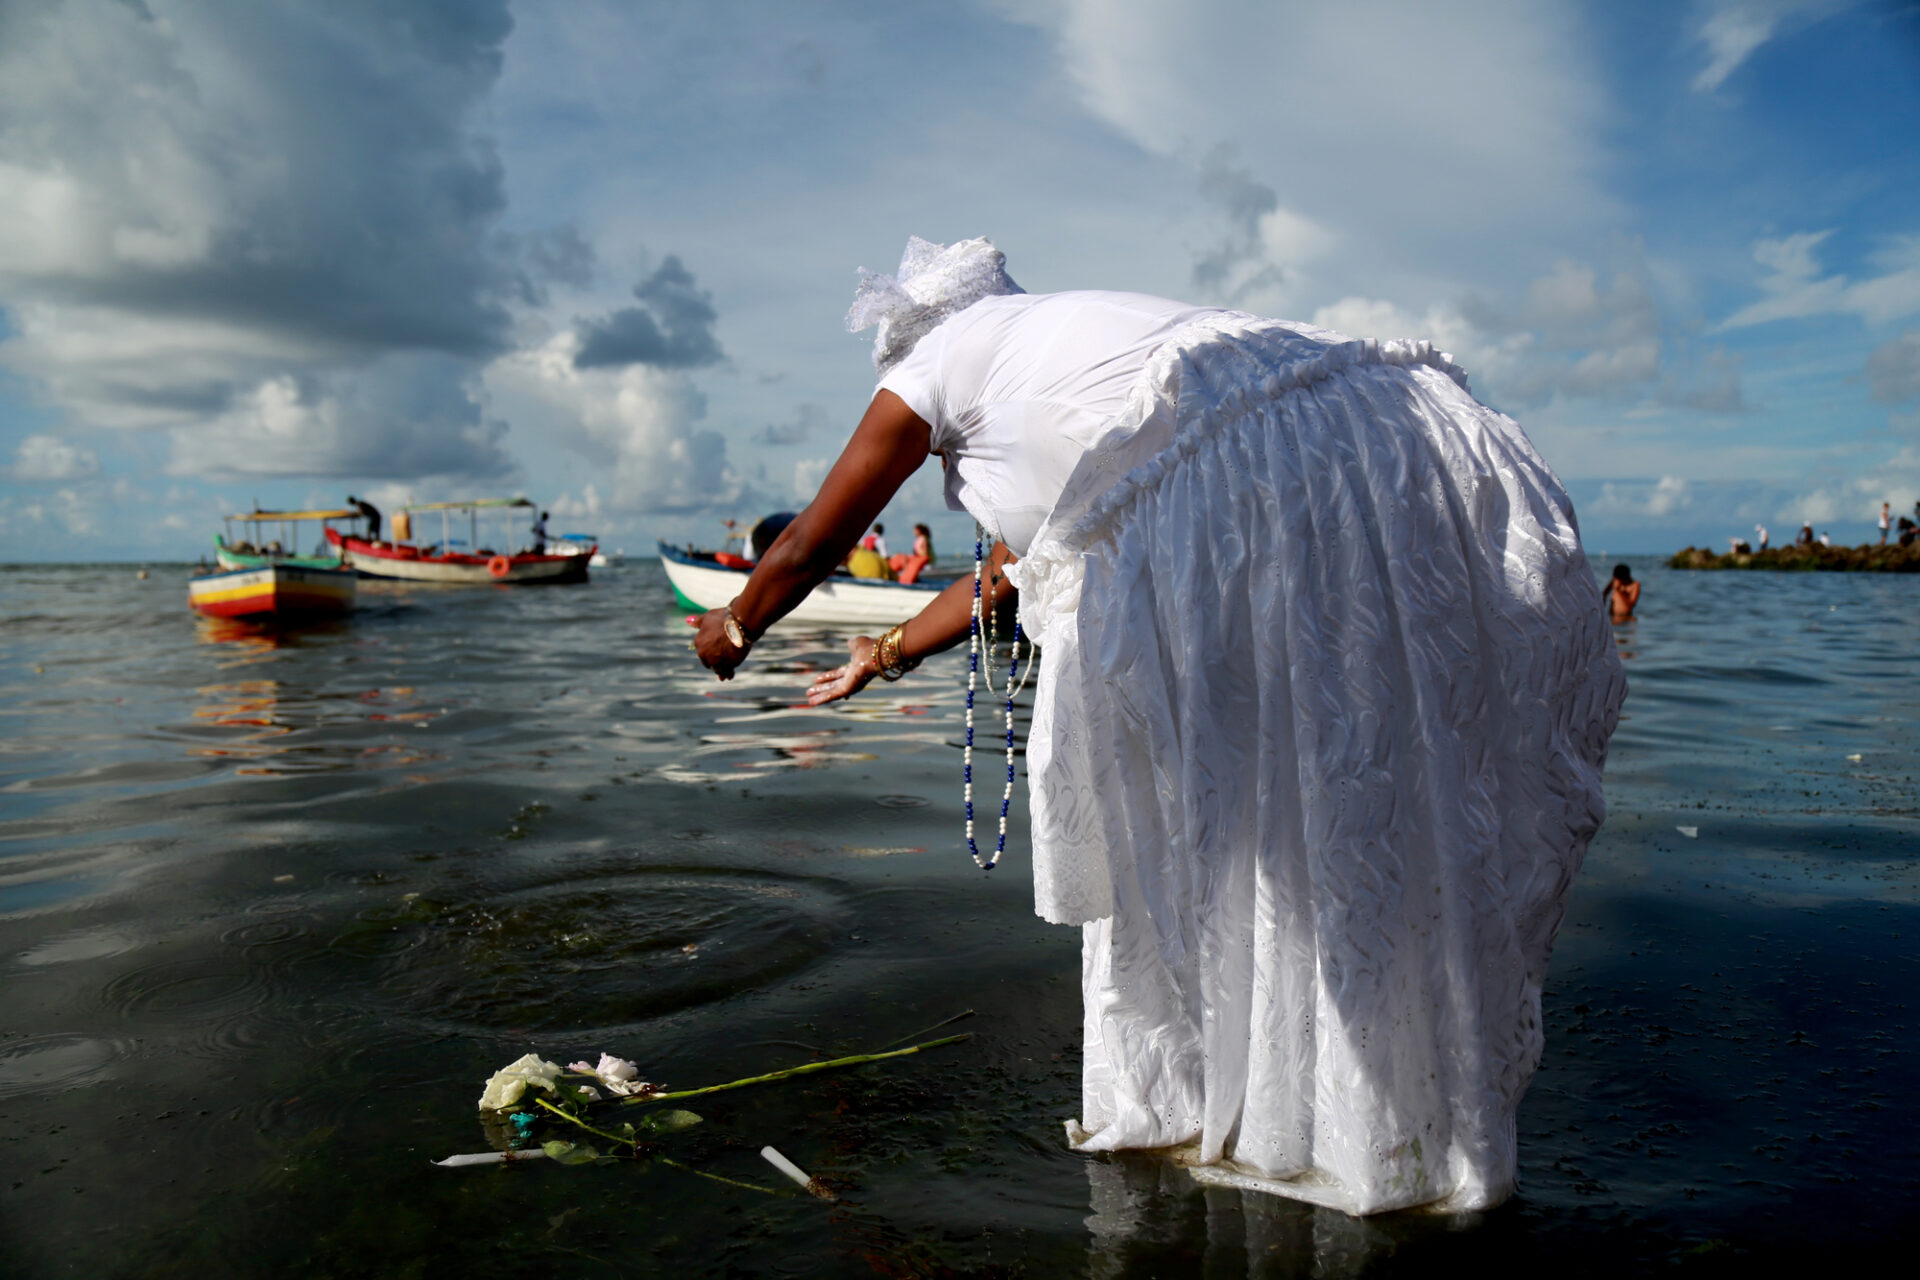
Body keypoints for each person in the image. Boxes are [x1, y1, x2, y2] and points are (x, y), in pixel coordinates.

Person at [691, 236, 1625, 1216]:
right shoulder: (1062, 362)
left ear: (907, 334)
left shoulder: (936, 361)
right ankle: (1387, 1125)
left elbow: (809, 537)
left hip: (1252, 489)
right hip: (1384, 437)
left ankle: (1273, 1116)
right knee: (1336, 821)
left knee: (1228, 838)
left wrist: (737, 623)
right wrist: (880, 656)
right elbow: (1012, 577)